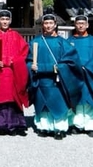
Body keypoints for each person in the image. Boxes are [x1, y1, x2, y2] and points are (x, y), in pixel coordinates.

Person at [27, 8, 83, 140]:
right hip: (41, 81)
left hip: (57, 80)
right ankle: (44, 127)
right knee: (43, 105)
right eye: (46, 23)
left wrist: (56, 68)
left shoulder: (63, 43)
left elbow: (71, 61)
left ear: (55, 24)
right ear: (42, 25)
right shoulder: (35, 42)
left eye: (51, 23)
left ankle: (60, 128)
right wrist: (31, 66)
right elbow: (28, 61)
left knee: (59, 104)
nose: (48, 26)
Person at [0, 4, 29, 135]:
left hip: (12, 73)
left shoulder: (16, 36)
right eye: (2, 19)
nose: (5, 22)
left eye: (7, 19)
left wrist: (14, 61)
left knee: (12, 99)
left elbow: (24, 53)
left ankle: (13, 124)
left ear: (10, 21)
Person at [67, 11, 93, 137]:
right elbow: (66, 57)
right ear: (75, 25)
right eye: (78, 23)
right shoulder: (69, 41)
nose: (80, 26)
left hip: (91, 75)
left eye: (83, 23)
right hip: (75, 76)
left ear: (87, 25)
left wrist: (88, 67)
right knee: (78, 100)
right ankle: (78, 124)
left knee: (90, 99)